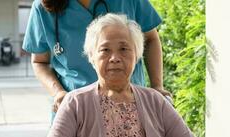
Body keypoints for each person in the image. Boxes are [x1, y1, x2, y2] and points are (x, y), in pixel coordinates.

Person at [37, 14, 230, 137]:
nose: (115, 57)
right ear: (92, 56)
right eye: (105, 50)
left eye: (124, 49)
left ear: (136, 56)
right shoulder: (76, 103)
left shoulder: (154, 101)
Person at [22, 0, 170, 115]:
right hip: (77, 110)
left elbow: (150, 39)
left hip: (129, 102)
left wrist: (157, 86)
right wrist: (59, 92)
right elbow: (39, 61)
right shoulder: (43, 7)